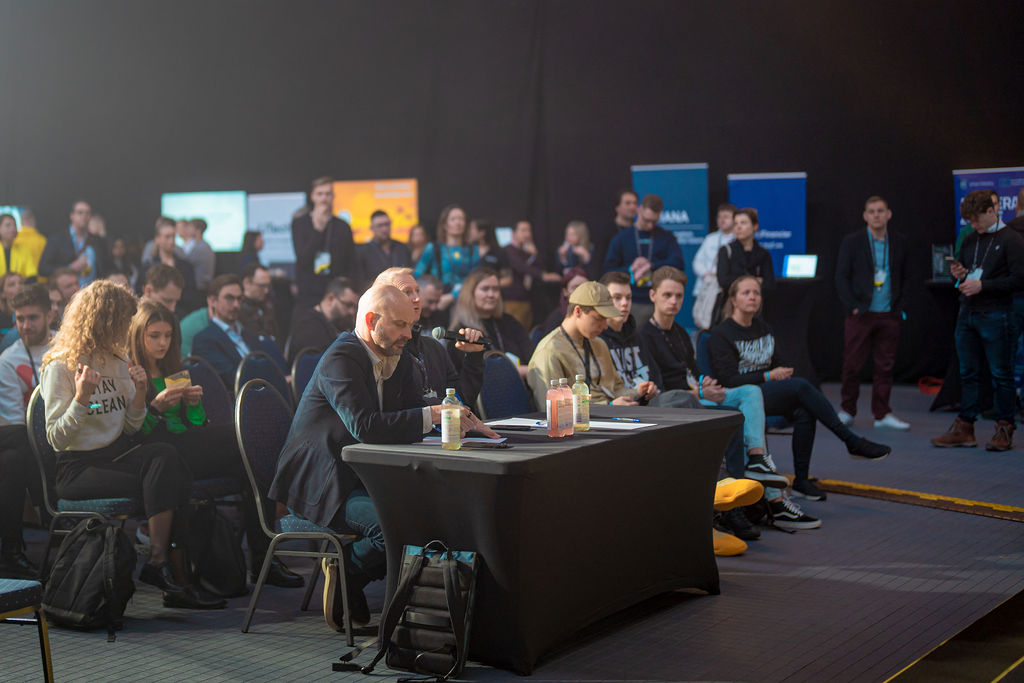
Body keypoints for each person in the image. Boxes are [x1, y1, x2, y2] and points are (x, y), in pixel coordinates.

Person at [268, 285, 495, 625]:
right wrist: (434, 414)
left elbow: (412, 413)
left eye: (411, 325)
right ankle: (349, 572)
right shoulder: (340, 358)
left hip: (364, 474)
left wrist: (456, 420)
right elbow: (366, 426)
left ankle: (356, 578)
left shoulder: (396, 354)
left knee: (430, 512)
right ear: (371, 321)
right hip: (323, 481)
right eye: (400, 324)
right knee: (397, 523)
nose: (409, 334)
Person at [39, 280, 215, 608]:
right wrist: (81, 398)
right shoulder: (61, 365)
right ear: (104, 320)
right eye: (123, 321)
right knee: (170, 474)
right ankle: (174, 576)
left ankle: (161, 564)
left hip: (116, 455)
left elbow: (132, 428)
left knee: (167, 456)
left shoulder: (117, 361)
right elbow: (56, 439)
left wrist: (139, 395)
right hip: (77, 467)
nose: (127, 329)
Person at [128, 301, 302, 589]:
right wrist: (156, 408)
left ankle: (264, 558)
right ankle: (266, 551)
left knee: (248, 463)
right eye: (154, 336)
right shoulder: (134, 375)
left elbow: (196, 426)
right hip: (160, 452)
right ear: (138, 337)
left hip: (188, 445)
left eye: (168, 336)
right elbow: (137, 435)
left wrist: (194, 405)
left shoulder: (174, 369)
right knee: (241, 441)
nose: (162, 343)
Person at [709, 276, 892, 497]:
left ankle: (802, 481)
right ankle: (851, 441)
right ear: (734, 300)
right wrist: (768, 376)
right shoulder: (721, 333)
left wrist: (781, 373)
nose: (752, 297)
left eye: (756, 293)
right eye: (746, 293)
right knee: (802, 387)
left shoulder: (763, 328)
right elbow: (729, 380)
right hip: (742, 396)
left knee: (804, 409)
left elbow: (778, 363)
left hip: (767, 391)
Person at [932, 189, 1024, 451]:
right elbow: (964, 273)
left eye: (977, 219)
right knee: (968, 372)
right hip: (967, 312)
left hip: (998, 313)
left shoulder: (1012, 240)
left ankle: (1004, 427)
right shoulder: (971, 239)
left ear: (992, 211)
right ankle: (965, 427)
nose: (973, 225)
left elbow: (1019, 279)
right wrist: (959, 274)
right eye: (969, 221)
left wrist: (983, 286)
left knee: (1001, 374)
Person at [527, 280, 703, 411]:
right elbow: (552, 410)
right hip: (587, 424)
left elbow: (615, 388)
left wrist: (637, 391)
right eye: (599, 319)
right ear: (578, 311)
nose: (605, 326)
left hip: (613, 414)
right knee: (680, 402)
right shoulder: (550, 352)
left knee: (680, 399)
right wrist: (609, 407)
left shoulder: (598, 343)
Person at [835, 196, 911, 431]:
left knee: (885, 366)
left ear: (889, 214)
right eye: (872, 211)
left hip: (888, 313)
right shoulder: (852, 241)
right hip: (861, 313)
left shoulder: (900, 241)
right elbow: (841, 276)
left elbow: (907, 276)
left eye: (880, 211)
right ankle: (847, 410)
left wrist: (900, 307)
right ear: (865, 216)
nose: (876, 215)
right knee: (852, 365)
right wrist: (852, 306)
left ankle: (882, 413)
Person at [374, 268, 486, 407]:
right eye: (407, 292)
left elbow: (460, 401)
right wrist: (435, 410)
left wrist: (474, 358)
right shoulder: (382, 350)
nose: (417, 298)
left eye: (417, 291)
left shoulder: (434, 347)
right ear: (384, 302)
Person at [0, 285, 53, 578]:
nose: (25, 326)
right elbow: (15, 421)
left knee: (13, 456)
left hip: (65, 434)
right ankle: (14, 549)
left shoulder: (65, 348)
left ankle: (11, 551)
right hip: (27, 438)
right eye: (19, 319)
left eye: (32, 318)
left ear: (49, 315)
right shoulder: (9, 359)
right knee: (16, 450)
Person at [192, 274, 287, 388]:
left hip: (265, 392)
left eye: (239, 299)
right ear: (212, 301)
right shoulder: (204, 340)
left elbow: (269, 368)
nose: (236, 305)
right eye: (229, 298)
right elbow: (232, 378)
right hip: (237, 396)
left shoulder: (249, 336)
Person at [603, 194, 685, 324]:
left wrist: (651, 265)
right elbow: (608, 271)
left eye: (654, 221)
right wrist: (631, 269)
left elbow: (678, 263)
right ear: (639, 210)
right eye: (646, 220)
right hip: (631, 300)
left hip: (658, 301)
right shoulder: (621, 238)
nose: (650, 225)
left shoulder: (666, 237)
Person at [448, 267, 534, 379]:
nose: (491, 294)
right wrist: (519, 371)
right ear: (471, 293)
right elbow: (474, 374)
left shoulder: (509, 322)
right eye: (485, 289)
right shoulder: (462, 331)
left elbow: (531, 356)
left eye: (495, 289)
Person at [291, 176, 360, 306]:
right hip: (309, 289)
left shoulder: (342, 226)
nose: (324, 198)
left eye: (328, 194)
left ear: (333, 197)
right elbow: (302, 258)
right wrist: (318, 229)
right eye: (320, 194)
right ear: (312, 196)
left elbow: (351, 261)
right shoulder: (300, 223)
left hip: (336, 289)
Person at [597, 271, 661, 390]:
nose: (625, 303)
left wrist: (653, 388)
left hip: (648, 400)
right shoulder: (596, 339)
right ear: (601, 301)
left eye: (628, 297)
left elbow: (656, 380)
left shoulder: (636, 336)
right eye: (617, 298)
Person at [502, 220, 561, 330]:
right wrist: (543, 276)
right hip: (512, 300)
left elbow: (540, 268)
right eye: (523, 230)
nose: (527, 234)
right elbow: (521, 267)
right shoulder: (507, 250)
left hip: (528, 299)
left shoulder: (527, 251)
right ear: (514, 233)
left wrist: (535, 255)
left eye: (529, 231)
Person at [414, 204, 479, 304]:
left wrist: (452, 296)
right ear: (445, 224)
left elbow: (475, 278)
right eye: (453, 219)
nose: (458, 223)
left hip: (465, 300)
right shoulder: (433, 247)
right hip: (437, 300)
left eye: (461, 219)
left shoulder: (472, 249)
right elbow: (417, 275)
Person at [287, 276, 359, 364]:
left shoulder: (340, 323)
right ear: (331, 298)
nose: (352, 312)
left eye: (354, 307)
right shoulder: (308, 327)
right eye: (348, 305)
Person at [38, 199, 110, 285]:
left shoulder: (97, 241)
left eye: (87, 213)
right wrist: (69, 268)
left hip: (92, 290)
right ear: (72, 216)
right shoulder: (57, 239)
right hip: (68, 291)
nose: (84, 216)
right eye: (80, 212)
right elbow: (43, 269)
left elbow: (107, 267)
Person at [691, 203, 737, 328]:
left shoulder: (738, 240)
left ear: (735, 219)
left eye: (726, 217)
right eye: (719, 217)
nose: (722, 220)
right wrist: (705, 274)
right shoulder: (710, 238)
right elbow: (697, 262)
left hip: (725, 291)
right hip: (706, 287)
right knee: (703, 324)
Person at [716, 207, 775, 297]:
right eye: (735, 224)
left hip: (757, 302)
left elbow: (769, 284)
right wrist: (754, 280)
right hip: (731, 302)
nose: (738, 227)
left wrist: (737, 279)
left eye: (743, 223)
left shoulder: (763, 253)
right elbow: (723, 281)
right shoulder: (726, 250)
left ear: (755, 226)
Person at [592, 188, 638, 275]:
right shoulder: (606, 232)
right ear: (617, 207)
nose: (632, 207)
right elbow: (598, 262)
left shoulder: (638, 232)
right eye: (627, 203)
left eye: (635, 203)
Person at [357, 210, 411, 284]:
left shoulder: (402, 248)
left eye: (387, 224)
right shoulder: (362, 252)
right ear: (371, 228)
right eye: (380, 226)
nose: (384, 229)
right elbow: (360, 280)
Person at [539, 267, 588, 337]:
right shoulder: (555, 319)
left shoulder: (595, 316)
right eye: (575, 287)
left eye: (584, 287)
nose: (580, 292)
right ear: (565, 291)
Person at [239, 263, 278, 341]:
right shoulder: (237, 310)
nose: (266, 291)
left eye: (268, 286)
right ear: (246, 283)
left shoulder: (266, 308)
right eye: (262, 286)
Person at [180, 218, 216, 291]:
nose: (186, 230)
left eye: (190, 227)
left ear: (198, 231)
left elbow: (185, 261)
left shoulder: (201, 247)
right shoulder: (201, 245)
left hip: (199, 288)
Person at [0, 213, 38, 279]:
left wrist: (18, 283)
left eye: (14, 225)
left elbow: (32, 275)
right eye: (8, 225)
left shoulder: (24, 249)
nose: (13, 228)